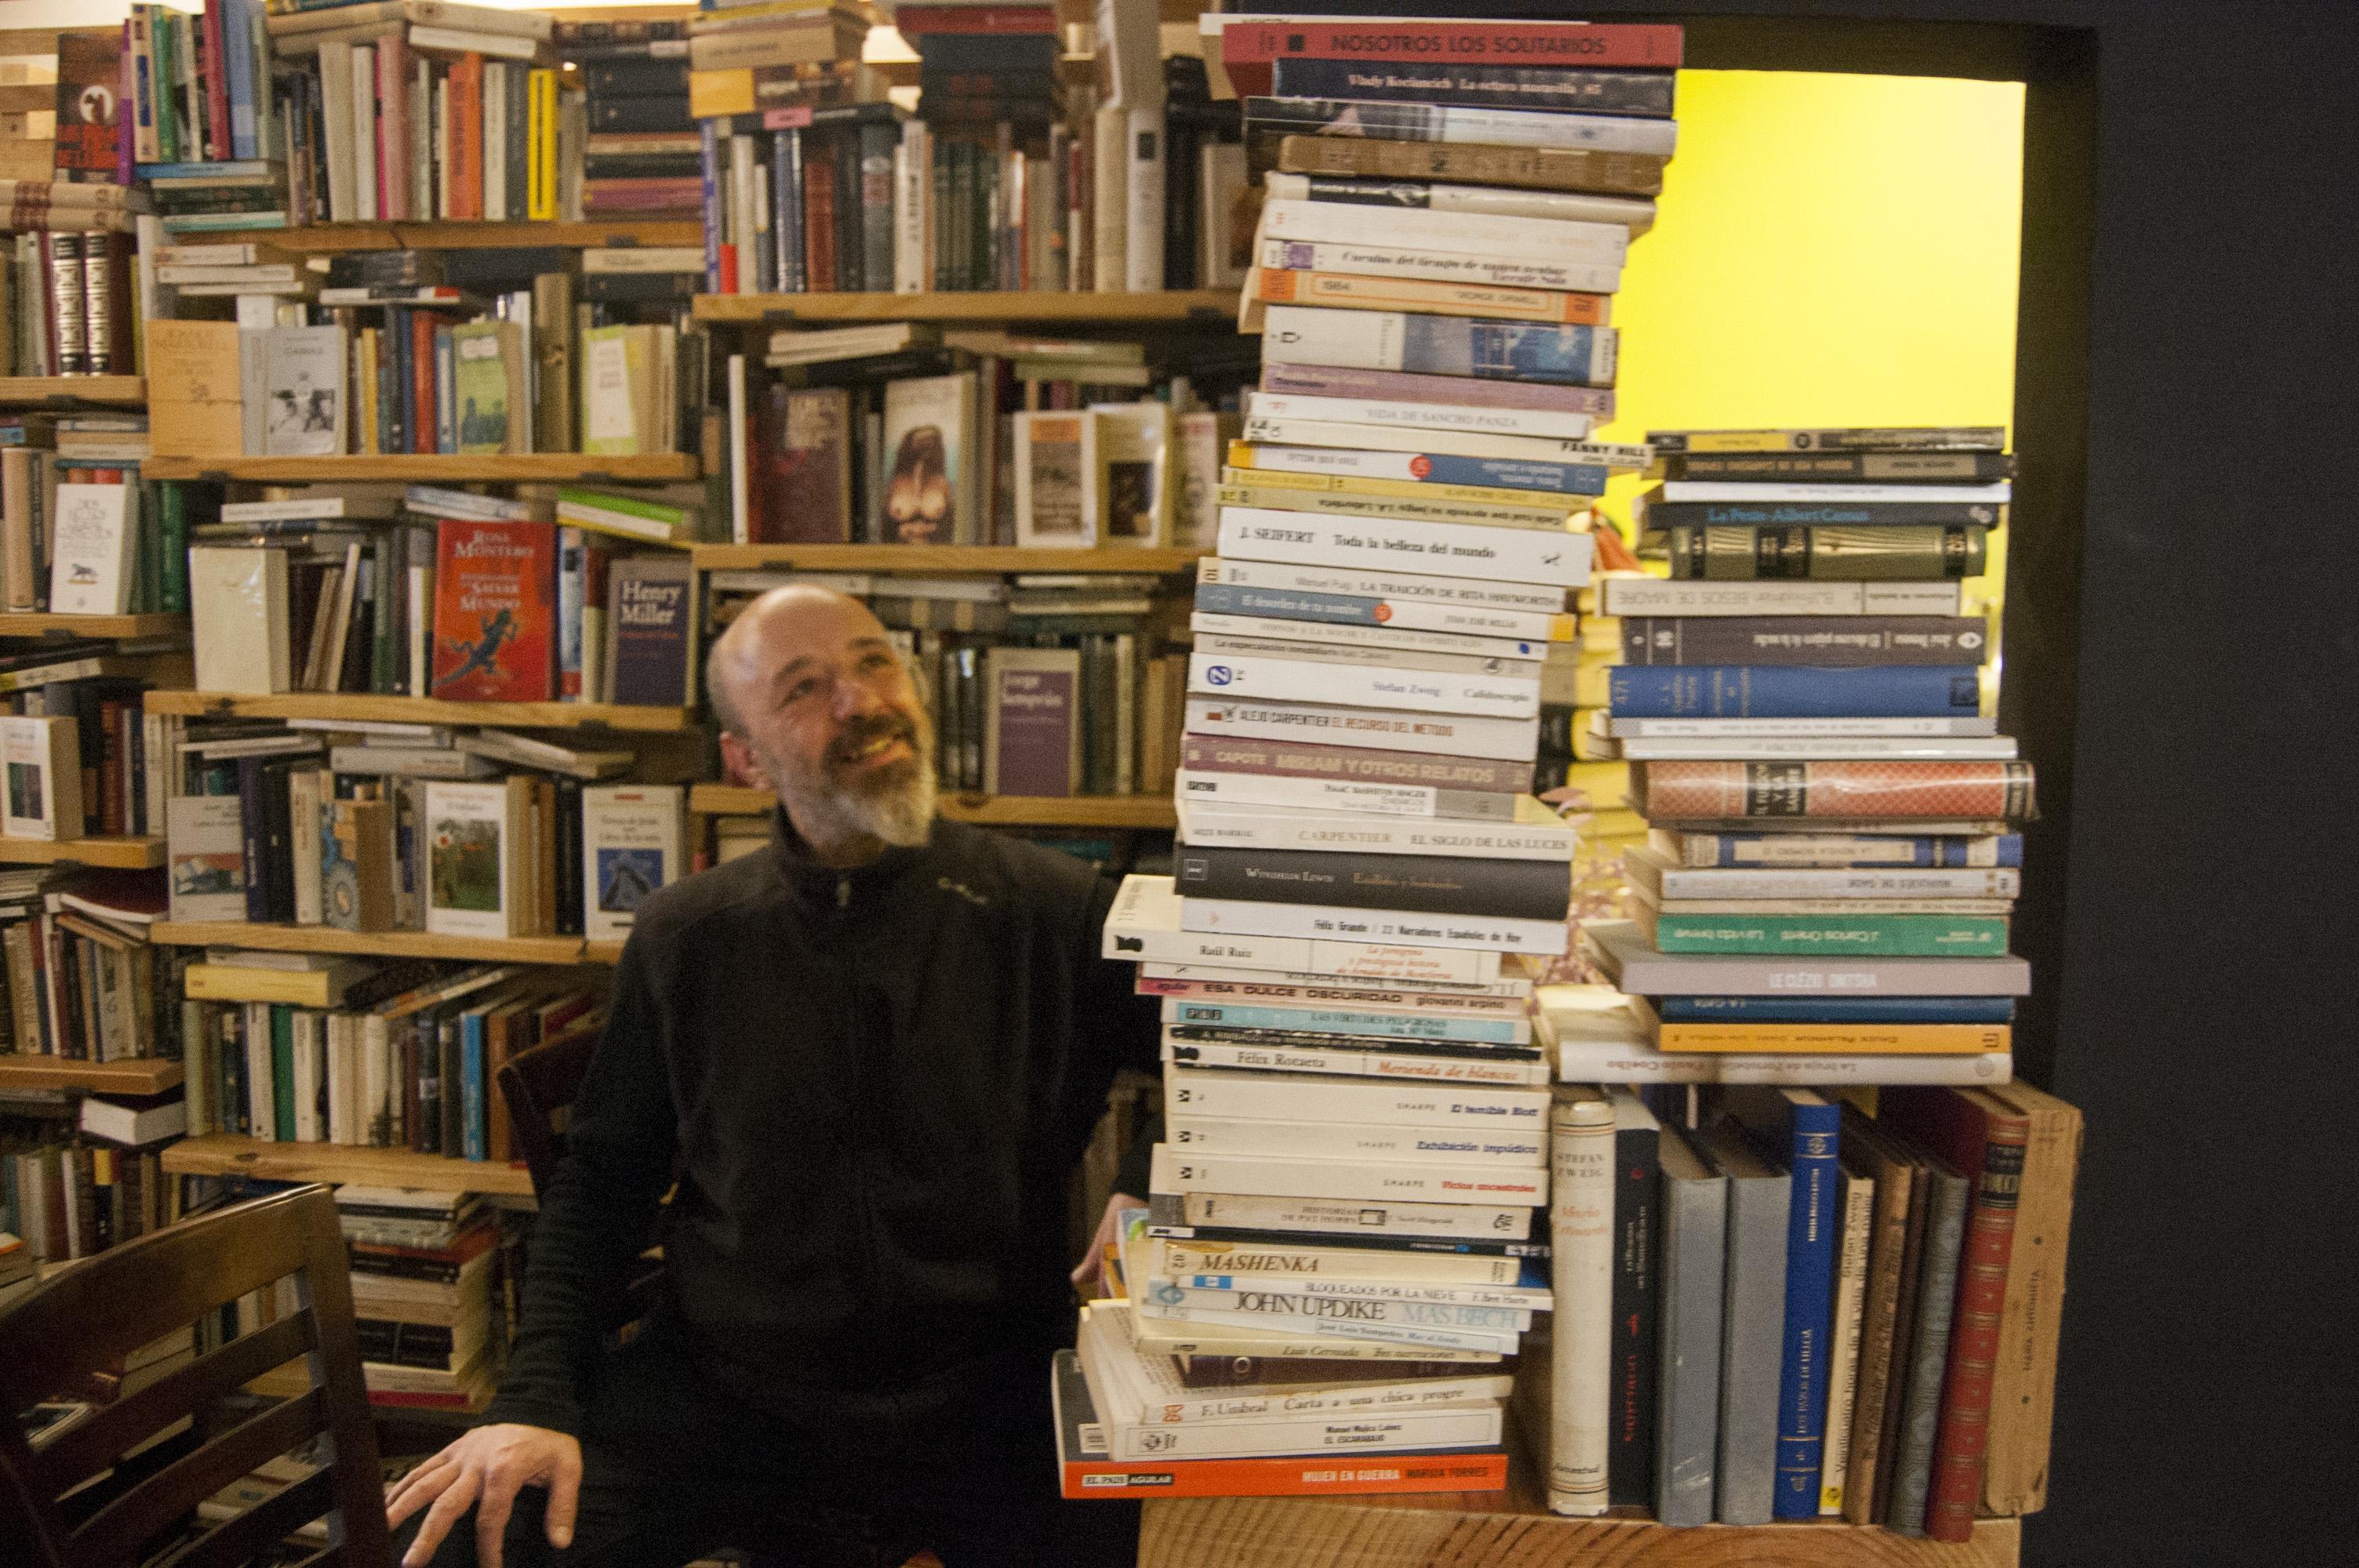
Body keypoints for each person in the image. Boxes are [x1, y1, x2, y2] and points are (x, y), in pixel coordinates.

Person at [387, 586, 1154, 1568]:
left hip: (988, 1389)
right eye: (804, 688)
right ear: (744, 758)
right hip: (728, 1390)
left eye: (875, 663)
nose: (859, 701)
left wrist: (1148, 1175)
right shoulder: (687, 933)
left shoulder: (1052, 910)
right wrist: (534, 1400)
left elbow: (1220, 1051)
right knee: (459, 1542)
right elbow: (602, 1184)